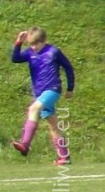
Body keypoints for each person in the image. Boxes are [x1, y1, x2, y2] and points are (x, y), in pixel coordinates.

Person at [10, 27, 75, 165]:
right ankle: (64, 157)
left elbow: (68, 67)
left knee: (33, 109)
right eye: (31, 44)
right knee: (53, 126)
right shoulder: (30, 53)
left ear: (44, 41)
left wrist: (70, 88)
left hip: (52, 90)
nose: (33, 47)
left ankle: (25, 144)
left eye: (36, 44)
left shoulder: (54, 52)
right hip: (39, 93)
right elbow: (15, 59)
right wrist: (18, 42)